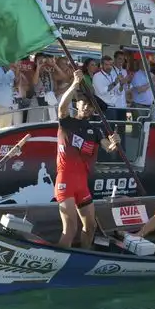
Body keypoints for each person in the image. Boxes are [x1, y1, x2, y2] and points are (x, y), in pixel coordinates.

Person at [55, 70, 121, 248]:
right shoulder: (67, 122)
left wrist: (116, 141)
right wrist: (75, 84)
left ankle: (85, 257)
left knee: (90, 227)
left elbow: (109, 148)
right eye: (84, 103)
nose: (87, 108)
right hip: (65, 181)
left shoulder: (96, 130)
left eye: (91, 106)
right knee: (70, 229)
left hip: (82, 184)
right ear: (78, 104)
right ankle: (58, 264)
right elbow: (61, 107)